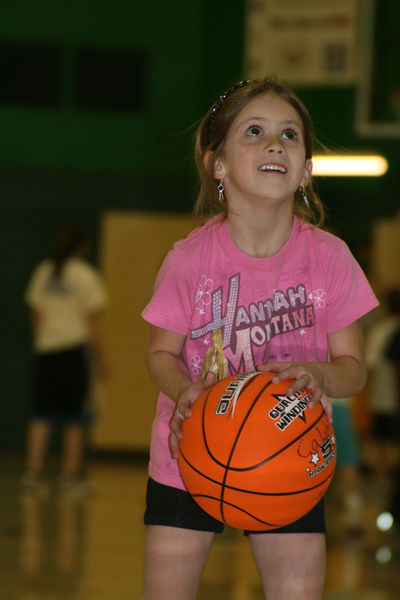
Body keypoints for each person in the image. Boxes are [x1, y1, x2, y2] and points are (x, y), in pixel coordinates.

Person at [141, 76, 378, 599]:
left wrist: (319, 373)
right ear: (217, 164)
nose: (276, 144)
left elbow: (353, 369)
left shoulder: (331, 258)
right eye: (254, 131)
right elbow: (160, 353)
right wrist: (184, 390)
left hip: (288, 454)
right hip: (189, 453)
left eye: (290, 135)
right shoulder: (189, 259)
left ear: (306, 170)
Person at [22, 225, 108, 496]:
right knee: (75, 417)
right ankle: (70, 478)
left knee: (41, 413)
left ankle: (33, 476)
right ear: (82, 248)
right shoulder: (87, 276)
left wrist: (47, 338)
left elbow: (36, 317)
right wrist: (101, 358)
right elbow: (92, 324)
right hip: (73, 353)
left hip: (46, 352)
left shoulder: (44, 271)